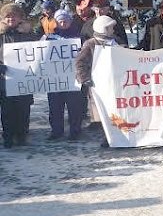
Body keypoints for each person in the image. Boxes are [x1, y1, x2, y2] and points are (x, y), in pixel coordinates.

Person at [75, 15, 122, 147]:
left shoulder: (115, 41)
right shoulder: (91, 44)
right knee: (104, 112)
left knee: (116, 109)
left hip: (115, 82)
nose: (113, 30)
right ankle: (108, 138)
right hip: (99, 84)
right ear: (104, 28)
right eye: (110, 27)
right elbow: (80, 63)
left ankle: (119, 135)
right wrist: (84, 78)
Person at [43, 10, 86, 142]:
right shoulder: (48, 37)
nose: (63, 23)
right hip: (55, 79)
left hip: (73, 78)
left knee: (75, 107)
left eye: (65, 20)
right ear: (56, 21)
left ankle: (75, 131)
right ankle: (56, 131)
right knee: (55, 107)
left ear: (70, 21)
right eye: (60, 20)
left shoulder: (79, 37)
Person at [0, 3, 36, 148]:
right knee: (7, 110)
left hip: (24, 79)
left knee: (23, 109)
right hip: (4, 79)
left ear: (20, 18)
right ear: (3, 18)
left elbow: (39, 50)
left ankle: (22, 136)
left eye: (13, 16)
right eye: (7, 16)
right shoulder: (1, 35)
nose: (11, 19)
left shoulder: (28, 34)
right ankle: (8, 137)